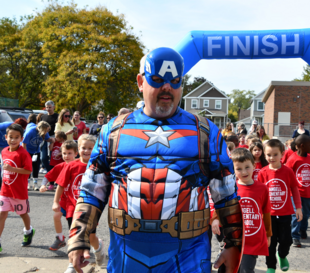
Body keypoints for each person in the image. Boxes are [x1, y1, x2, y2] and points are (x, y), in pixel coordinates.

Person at [67, 47, 243, 273]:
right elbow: (92, 190)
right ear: (140, 82)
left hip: (188, 257)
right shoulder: (113, 132)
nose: (167, 87)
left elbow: (226, 194)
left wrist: (234, 245)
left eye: (175, 80)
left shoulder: (206, 132)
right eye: (158, 80)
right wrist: (78, 236)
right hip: (126, 257)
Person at [53, 134, 105, 273]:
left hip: (91, 209)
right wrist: (55, 202)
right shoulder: (71, 166)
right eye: (83, 147)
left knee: (91, 236)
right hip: (73, 208)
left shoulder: (98, 166)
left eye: (90, 148)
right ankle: (72, 263)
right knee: (74, 235)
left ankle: (98, 249)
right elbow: (61, 185)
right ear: (78, 149)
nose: (87, 151)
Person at [258, 139, 302, 273]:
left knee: (286, 241)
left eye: (275, 154)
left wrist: (298, 208)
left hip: (285, 213)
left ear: (282, 154)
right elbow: (258, 193)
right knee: (269, 244)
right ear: (265, 155)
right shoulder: (262, 172)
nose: (272, 158)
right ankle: (270, 266)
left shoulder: (288, 171)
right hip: (268, 215)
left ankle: (282, 255)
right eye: (268, 155)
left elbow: (294, 189)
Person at [231, 148, 272, 273]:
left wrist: (268, 235)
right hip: (234, 240)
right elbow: (222, 210)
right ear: (233, 169)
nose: (244, 171)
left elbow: (266, 213)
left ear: (254, 166)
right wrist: (216, 220)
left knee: (246, 270)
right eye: (238, 169)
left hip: (253, 241)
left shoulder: (262, 188)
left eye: (247, 167)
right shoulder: (231, 188)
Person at [0, 124, 33, 253]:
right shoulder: (3, 151)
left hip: (19, 192)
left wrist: (13, 169)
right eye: (10, 137)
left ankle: (28, 231)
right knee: (2, 214)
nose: (13, 140)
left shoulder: (23, 154)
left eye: (16, 137)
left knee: (23, 214)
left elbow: (28, 171)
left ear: (21, 138)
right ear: (5, 137)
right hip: (5, 190)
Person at [40, 140, 78, 251]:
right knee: (56, 216)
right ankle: (60, 238)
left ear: (76, 153)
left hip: (75, 200)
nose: (66, 156)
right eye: (64, 153)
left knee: (74, 224)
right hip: (63, 200)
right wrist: (43, 185)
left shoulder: (80, 166)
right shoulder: (60, 166)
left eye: (69, 153)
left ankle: (79, 244)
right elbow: (47, 176)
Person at [285, 134, 310, 247]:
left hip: (308, 191)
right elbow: (287, 174)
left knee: (307, 213)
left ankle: (303, 229)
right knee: (297, 214)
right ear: (302, 146)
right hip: (295, 193)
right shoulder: (293, 159)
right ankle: (295, 235)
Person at [22, 119, 52, 191]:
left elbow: (48, 139)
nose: (47, 132)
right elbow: (24, 143)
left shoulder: (45, 132)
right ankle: (27, 184)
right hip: (28, 150)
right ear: (42, 129)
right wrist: (25, 155)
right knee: (28, 167)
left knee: (36, 167)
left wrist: (53, 140)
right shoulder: (30, 131)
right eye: (46, 130)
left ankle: (35, 184)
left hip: (36, 151)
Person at [40, 101, 59, 173]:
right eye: (47, 107)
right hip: (44, 139)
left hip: (54, 139)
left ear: (53, 107)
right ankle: (50, 172)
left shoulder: (57, 116)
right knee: (43, 158)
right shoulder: (43, 117)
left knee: (52, 159)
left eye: (50, 107)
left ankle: (52, 175)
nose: (48, 109)